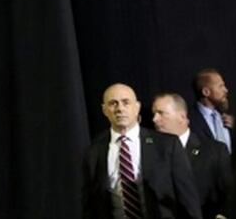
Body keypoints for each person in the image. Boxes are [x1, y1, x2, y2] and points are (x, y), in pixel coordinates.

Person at [82, 83, 202, 219]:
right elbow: (90, 206)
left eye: (126, 102)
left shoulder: (167, 145)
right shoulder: (94, 152)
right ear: (104, 110)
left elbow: (188, 200)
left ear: (137, 107)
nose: (120, 109)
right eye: (113, 103)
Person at [189, 69, 234, 155]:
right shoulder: (190, 120)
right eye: (220, 86)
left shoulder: (227, 118)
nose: (226, 90)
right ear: (206, 92)